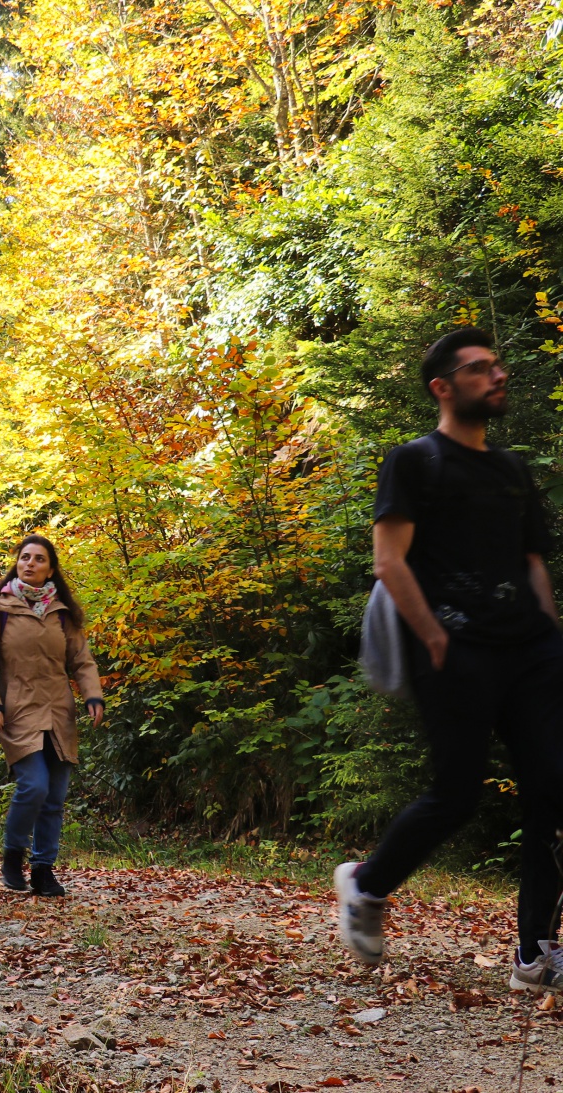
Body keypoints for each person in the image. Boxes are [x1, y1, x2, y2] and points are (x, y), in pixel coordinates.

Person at [335, 328, 563, 992]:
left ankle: (535, 954)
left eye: (497, 365)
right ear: (443, 387)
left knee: (552, 790)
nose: (497, 375)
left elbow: (531, 563)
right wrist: (433, 636)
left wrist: (549, 636)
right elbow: (389, 559)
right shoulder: (415, 461)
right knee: (456, 794)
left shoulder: (513, 470)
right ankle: (367, 885)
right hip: (455, 648)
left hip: (529, 651)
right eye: (479, 368)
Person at [0, 537, 104, 897]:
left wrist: (92, 694)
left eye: (39, 559)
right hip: (16, 710)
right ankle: (13, 855)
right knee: (34, 785)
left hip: (59, 710)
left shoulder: (62, 612)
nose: (29, 563)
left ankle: (44, 869)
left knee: (55, 795)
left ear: (50, 568)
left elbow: (81, 660)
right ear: (17, 564)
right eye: (24, 557)